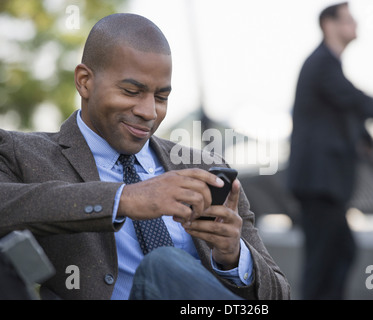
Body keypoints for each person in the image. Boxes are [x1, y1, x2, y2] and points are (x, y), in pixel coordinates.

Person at [0, 13, 290, 300]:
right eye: (131, 91)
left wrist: (234, 258)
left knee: (168, 266)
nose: (149, 112)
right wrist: (124, 199)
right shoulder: (23, 154)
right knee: (162, 264)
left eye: (161, 98)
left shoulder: (204, 168)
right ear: (85, 81)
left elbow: (280, 294)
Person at [287, 2, 373, 300]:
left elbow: (341, 108)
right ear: (329, 25)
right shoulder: (322, 63)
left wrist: (365, 137)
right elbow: (355, 99)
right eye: (349, 20)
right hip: (319, 182)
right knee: (324, 259)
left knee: (339, 252)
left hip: (322, 182)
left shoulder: (325, 66)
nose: (356, 24)